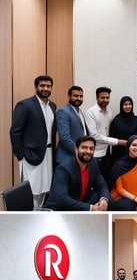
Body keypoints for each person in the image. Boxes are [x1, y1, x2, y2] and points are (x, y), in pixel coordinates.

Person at [10, 75, 57, 207]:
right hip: (30, 155)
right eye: (42, 86)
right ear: (36, 87)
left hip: (48, 155)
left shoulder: (52, 106)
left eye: (48, 86)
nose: (45, 89)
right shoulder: (25, 105)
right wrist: (21, 156)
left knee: (44, 190)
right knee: (31, 191)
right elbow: (15, 132)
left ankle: (38, 213)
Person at [44, 136, 112, 211]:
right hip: (60, 209)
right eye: (84, 148)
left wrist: (104, 199)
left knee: (109, 201)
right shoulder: (63, 169)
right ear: (76, 149)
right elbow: (62, 199)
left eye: (91, 148)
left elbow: (101, 185)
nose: (88, 151)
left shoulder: (93, 163)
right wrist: (91, 208)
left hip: (81, 204)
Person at [85, 87, 127, 183]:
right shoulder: (90, 112)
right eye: (102, 97)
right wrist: (118, 141)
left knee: (106, 179)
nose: (105, 100)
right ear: (97, 98)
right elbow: (94, 135)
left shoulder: (110, 112)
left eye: (107, 98)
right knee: (93, 181)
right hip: (95, 153)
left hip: (107, 152)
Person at [56, 86, 88, 164]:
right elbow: (64, 138)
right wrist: (80, 152)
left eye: (81, 96)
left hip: (77, 158)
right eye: (75, 96)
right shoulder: (63, 112)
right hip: (66, 158)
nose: (79, 98)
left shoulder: (80, 111)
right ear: (69, 96)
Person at [109, 95, 137, 168]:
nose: (128, 106)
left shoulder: (136, 119)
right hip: (120, 153)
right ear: (121, 106)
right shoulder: (116, 120)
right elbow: (112, 137)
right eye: (125, 104)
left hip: (134, 152)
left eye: (130, 104)